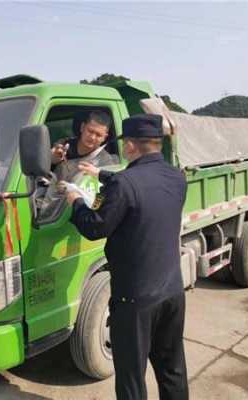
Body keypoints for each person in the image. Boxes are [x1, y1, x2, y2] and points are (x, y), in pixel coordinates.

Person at [67, 114, 189, 400]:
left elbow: (95, 226)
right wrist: (102, 176)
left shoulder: (123, 185)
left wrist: (75, 202)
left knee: (132, 375)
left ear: (131, 147)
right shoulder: (176, 176)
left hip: (135, 298)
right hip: (172, 291)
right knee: (172, 367)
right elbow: (142, 185)